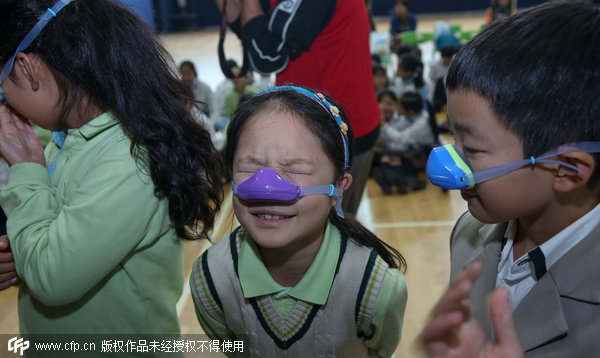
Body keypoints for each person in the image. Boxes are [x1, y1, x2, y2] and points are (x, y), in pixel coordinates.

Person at [0, 0, 223, 341]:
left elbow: (52, 280)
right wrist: (24, 251)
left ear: (28, 69)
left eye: (3, 91)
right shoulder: (68, 138)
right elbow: (60, 239)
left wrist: (26, 169)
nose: (6, 103)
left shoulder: (130, 157)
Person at [421, 1, 600, 356]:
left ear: (566, 169)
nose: (444, 165)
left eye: (470, 149)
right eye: (452, 137)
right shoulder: (470, 232)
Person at [190, 86, 408, 357]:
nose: (266, 187)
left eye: (295, 169)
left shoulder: (376, 289)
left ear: (339, 187)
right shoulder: (211, 279)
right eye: (249, 166)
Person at [216, 0, 381, 216]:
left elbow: (266, 56)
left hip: (333, 136)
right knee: (312, 232)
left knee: (330, 234)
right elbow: (254, 29)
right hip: (317, 126)